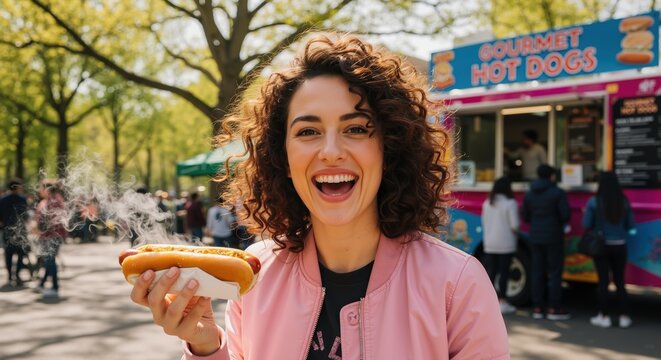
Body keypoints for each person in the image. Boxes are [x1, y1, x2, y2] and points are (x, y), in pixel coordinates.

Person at [128, 33, 509, 359]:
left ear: (389, 147)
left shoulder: (456, 284)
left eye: (357, 129)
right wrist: (207, 347)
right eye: (308, 132)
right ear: (283, 157)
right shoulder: (255, 276)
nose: (330, 151)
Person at [582, 172, 635, 328]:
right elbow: (631, 226)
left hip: (602, 247)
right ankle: (624, 317)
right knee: (620, 281)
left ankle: (603, 316)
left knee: (603, 282)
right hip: (620, 246)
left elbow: (586, 225)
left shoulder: (594, 202)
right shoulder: (623, 201)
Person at [522, 164, 571, 320]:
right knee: (555, 272)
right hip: (554, 237)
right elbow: (565, 215)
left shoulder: (529, 193)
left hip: (535, 236)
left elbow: (525, 216)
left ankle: (537, 307)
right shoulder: (557, 192)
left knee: (537, 271)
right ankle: (553, 307)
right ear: (551, 176)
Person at [481, 177, 519, 314]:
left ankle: (487, 301)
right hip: (506, 243)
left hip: (490, 243)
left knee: (491, 273)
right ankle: (502, 301)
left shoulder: (487, 203)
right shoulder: (510, 203)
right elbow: (515, 225)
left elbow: (484, 222)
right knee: (504, 273)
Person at [34, 179, 68, 299]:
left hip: (50, 236)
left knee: (49, 261)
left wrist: (39, 229)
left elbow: (48, 222)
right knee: (49, 261)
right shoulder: (56, 200)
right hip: (53, 236)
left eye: (41, 188)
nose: (39, 190)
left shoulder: (52, 202)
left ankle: (55, 287)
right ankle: (42, 284)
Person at [0, 178, 29, 286]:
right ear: (16, 187)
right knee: (21, 253)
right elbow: (25, 216)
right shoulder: (22, 199)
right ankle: (17, 274)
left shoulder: (2, 199)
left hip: (7, 230)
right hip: (20, 231)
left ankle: (9, 276)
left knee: (8, 254)